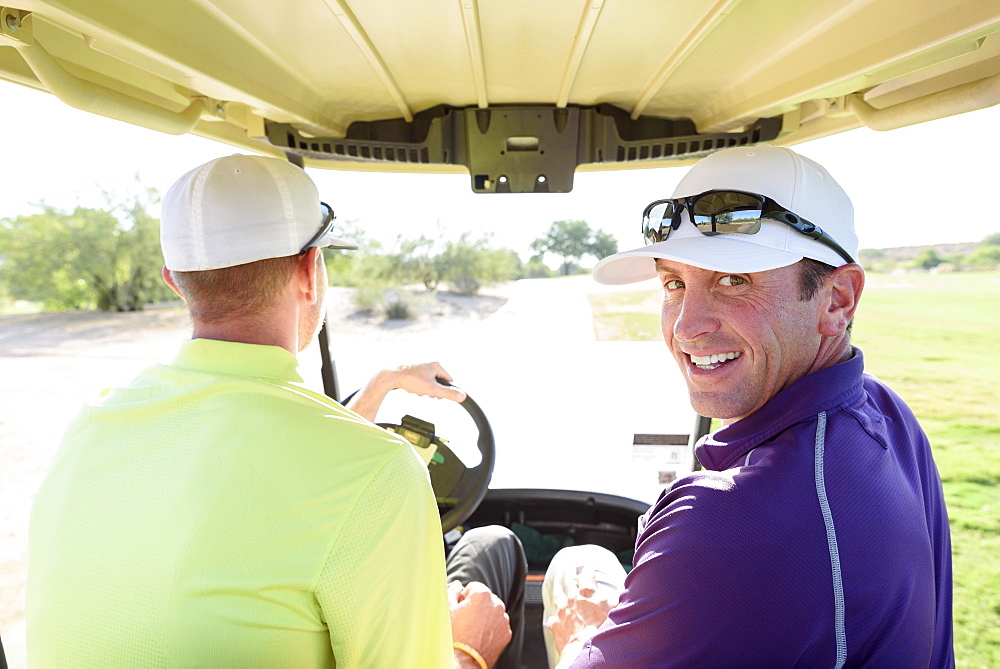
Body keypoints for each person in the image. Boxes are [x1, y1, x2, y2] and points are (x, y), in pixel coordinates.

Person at [26, 154, 524, 668]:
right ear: (310, 271)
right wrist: (468, 651)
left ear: (175, 281)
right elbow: (331, 473)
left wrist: (381, 384)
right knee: (493, 550)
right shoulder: (378, 472)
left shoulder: (89, 426)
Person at [543, 145, 954, 667]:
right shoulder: (887, 414)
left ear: (837, 300)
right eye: (674, 283)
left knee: (573, 569)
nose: (685, 328)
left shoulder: (722, 523)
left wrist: (581, 633)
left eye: (733, 281)